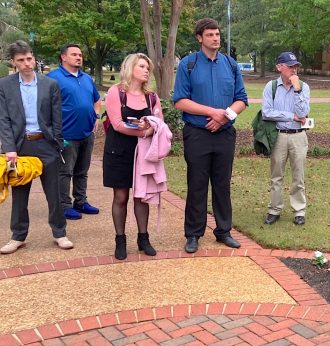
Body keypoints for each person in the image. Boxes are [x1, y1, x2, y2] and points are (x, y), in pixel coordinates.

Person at [173, 18, 248, 253]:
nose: (215, 38)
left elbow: (242, 100)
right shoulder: (189, 64)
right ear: (199, 38)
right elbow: (180, 101)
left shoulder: (231, 65)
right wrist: (212, 113)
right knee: (196, 184)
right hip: (197, 133)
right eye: (210, 35)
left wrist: (224, 116)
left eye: (217, 34)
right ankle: (193, 233)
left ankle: (223, 231)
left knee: (222, 184)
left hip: (224, 133)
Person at [0, 40, 74, 254]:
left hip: (46, 144)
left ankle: (60, 233)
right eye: (21, 60)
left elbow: (56, 118)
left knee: (54, 192)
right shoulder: (5, 85)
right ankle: (18, 236)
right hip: (20, 146)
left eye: (29, 58)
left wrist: (58, 144)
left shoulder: (49, 84)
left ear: (34, 58)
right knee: (20, 194)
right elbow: (4, 119)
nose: (26, 63)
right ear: (13, 62)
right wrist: (9, 147)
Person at [103, 53, 162, 260]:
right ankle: (120, 239)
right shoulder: (115, 92)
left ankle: (143, 238)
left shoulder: (151, 96)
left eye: (148, 68)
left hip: (143, 153)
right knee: (120, 196)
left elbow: (159, 124)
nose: (147, 70)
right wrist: (143, 131)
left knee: (141, 196)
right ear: (130, 68)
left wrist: (149, 129)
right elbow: (117, 124)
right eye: (142, 66)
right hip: (118, 151)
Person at [47, 44, 101, 220]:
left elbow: (97, 100)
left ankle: (81, 201)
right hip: (66, 135)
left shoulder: (86, 78)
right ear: (63, 57)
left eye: (80, 54)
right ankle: (64, 205)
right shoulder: (53, 78)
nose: (79, 57)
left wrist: (97, 117)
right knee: (64, 172)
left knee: (82, 171)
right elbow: (44, 106)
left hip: (86, 133)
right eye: (74, 54)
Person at [262, 52, 310, 226]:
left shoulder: (303, 87)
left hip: (298, 137)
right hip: (279, 136)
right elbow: (267, 113)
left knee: (299, 176)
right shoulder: (271, 86)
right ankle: (274, 209)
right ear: (279, 67)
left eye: (295, 66)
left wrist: (297, 90)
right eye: (290, 66)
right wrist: (291, 116)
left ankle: (299, 211)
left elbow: (303, 113)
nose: (294, 70)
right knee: (276, 176)